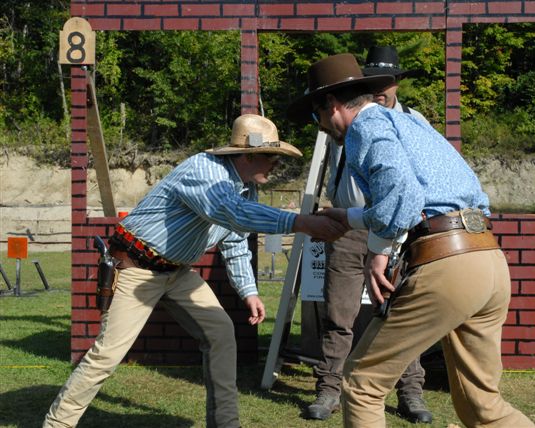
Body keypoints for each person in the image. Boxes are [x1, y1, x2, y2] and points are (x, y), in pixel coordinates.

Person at [43, 114, 347, 428]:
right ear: (249, 154)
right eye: (272, 157)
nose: (275, 165)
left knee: (221, 334)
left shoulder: (244, 188)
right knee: (106, 356)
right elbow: (231, 212)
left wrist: (249, 291)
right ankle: (57, 425)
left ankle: (226, 424)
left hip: (175, 273)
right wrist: (299, 222)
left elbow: (235, 240)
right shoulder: (205, 170)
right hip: (136, 267)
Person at [288, 54, 535, 428]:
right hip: (486, 258)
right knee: (482, 404)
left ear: (332, 105)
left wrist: (377, 250)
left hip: (445, 264)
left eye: (315, 117)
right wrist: (351, 217)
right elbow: (426, 195)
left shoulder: (365, 128)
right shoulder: (410, 125)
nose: (320, 127)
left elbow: (401, 199)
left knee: (362, 384)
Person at [306, 46, 432, 423]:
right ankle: (329, 389)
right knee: (338, 312)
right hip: (348, 226)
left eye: (385, 81)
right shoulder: (342, 120)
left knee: (400, 312)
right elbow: (326, 165)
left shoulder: (413, 120)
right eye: (373, 80)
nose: (380, 89)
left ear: (394, 84)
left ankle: (411, 391)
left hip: (396, 229)